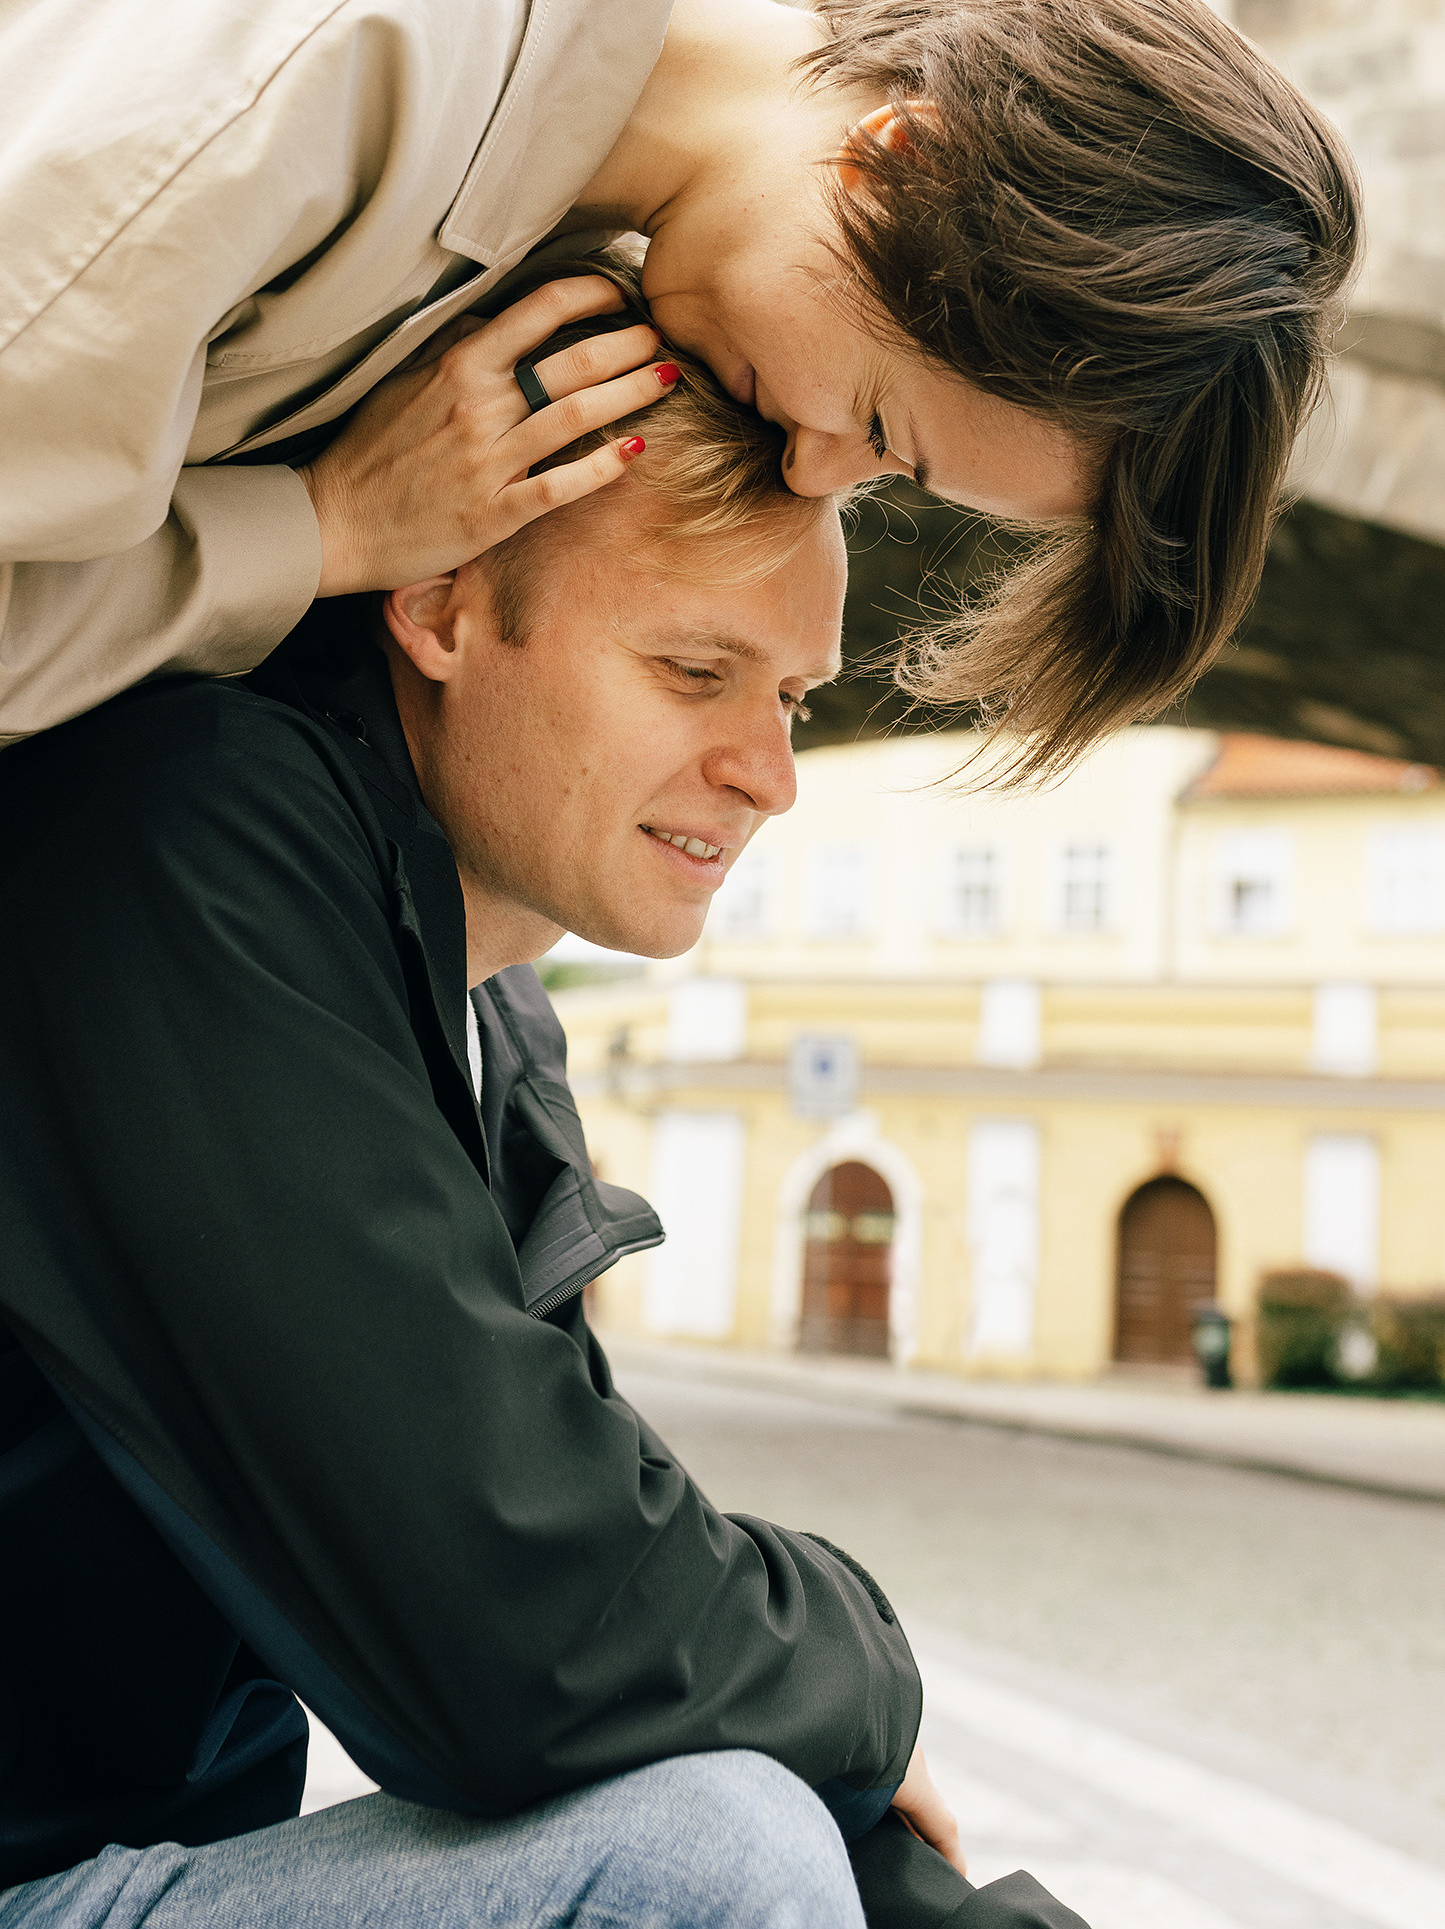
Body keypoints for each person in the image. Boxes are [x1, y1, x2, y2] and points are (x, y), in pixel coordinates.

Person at [0, 302, 1089, 1928]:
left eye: (790, 694)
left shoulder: (492, 1019)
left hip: (140, 1860)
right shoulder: (182, 842)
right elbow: (527, 1639)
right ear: (442, 602)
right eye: (693, 669)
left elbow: (626, 1655)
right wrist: (864, 1669)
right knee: (709, 1855)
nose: (769, 771)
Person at [2, 0, 1358, 771]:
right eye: (882, 424)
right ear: (896, 164)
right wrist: (321, 531)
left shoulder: (531, 197)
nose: (816, 471)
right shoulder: (339, 62)